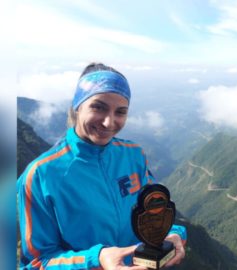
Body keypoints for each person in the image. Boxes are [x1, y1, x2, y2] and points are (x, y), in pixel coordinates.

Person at [17, 63, 187, 269]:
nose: (109, 122)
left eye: (120, 112)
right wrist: (97, 259)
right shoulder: (41, 175)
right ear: (78, 107)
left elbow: (155, 209)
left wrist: (174, 233)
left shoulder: (134, 155)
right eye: (98, 107)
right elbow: (37, 262)